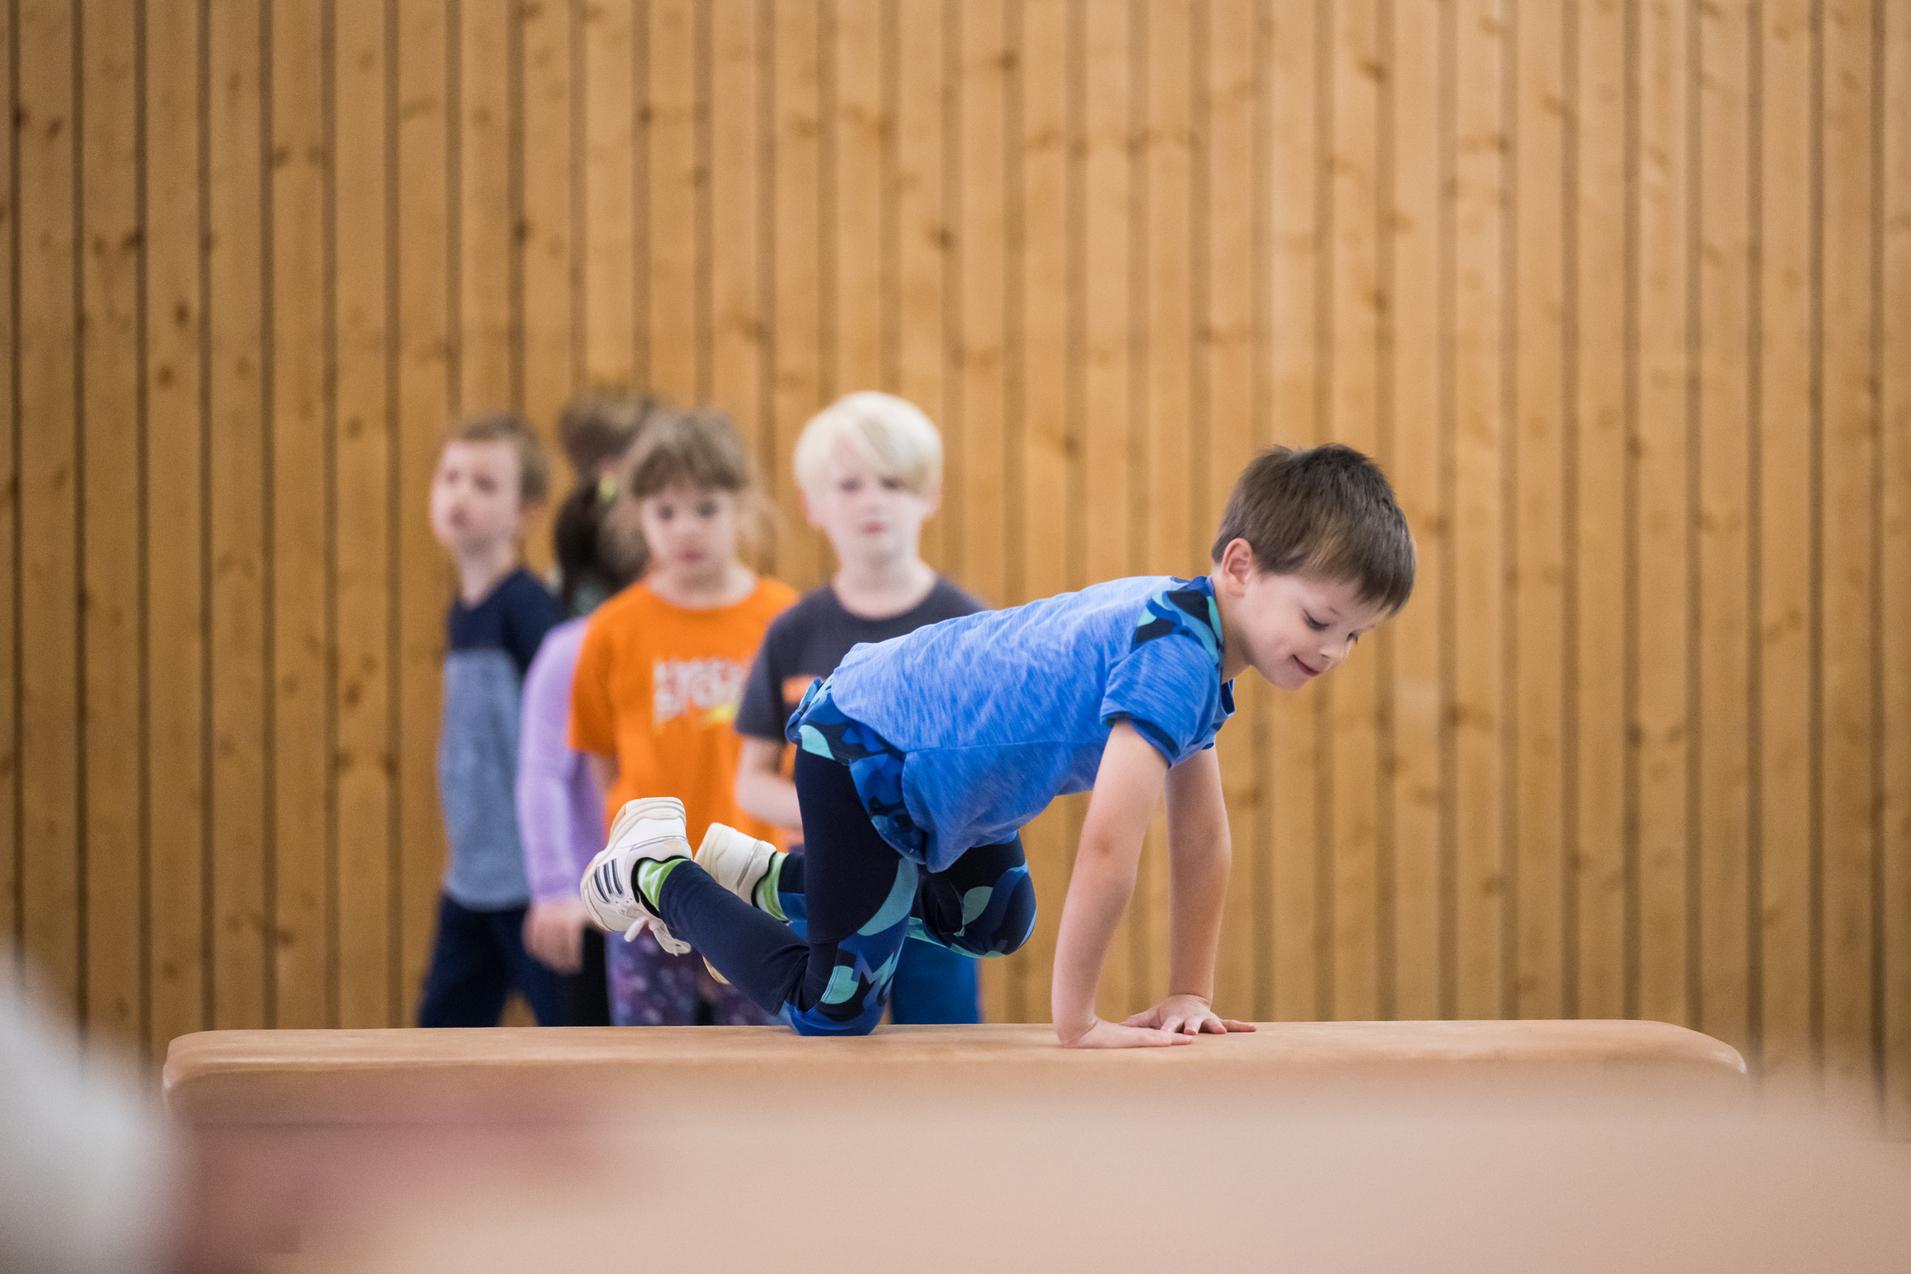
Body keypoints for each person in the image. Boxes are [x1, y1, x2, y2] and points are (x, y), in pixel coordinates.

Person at [579, 443, 1415, 1046]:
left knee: (991, 918)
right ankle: (659, 870)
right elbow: (1107, 845)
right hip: (871, 746)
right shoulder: (1175, 655)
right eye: (1318, 621)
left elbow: (1199, 838)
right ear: (1239, 566)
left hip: (943, 773)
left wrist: (1186, 992)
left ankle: (764, 878)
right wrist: (1076, 1023)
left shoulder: (1192, 637)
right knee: (833, 1008)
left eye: (1354, 637)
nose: (1332, 652)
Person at [732, 392, 984, 1024]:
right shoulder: (792, 632)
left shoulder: (970, 626)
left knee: (947, 1062)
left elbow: (993, 770)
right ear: (811, 505)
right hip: (817, 890)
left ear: (931, 495)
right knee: (819, 1062)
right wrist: (837, 822)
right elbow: (751, 777)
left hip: (939, 895)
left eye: (894, 482)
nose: (873, 499)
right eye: (849, 484)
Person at [568, 406, 798, 1025]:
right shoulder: (614, 630)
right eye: (665, 512)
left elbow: (807, 763)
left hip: (756, 886)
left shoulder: (784, 619)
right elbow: (600, 759)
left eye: (706, 508)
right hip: (649, 888)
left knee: (762, 1070)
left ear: (742, 508)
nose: (686, 529)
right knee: (650, 1068)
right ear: (636, 515)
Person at [417, 413, 568, 1027]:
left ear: (525, 513)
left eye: (484, 484)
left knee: (575, 1046)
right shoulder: (463, 610)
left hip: (532, 887)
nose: (460, 494)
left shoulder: (530, 612)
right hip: (472, 879)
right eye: (451, 476)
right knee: (437, 1044)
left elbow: (561, 750)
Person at [517, 394, 661, 1025]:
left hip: (692, 896)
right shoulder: (572, 650)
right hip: (603, 904)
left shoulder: (686, 640)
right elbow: (542, 775)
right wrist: (554, 888)